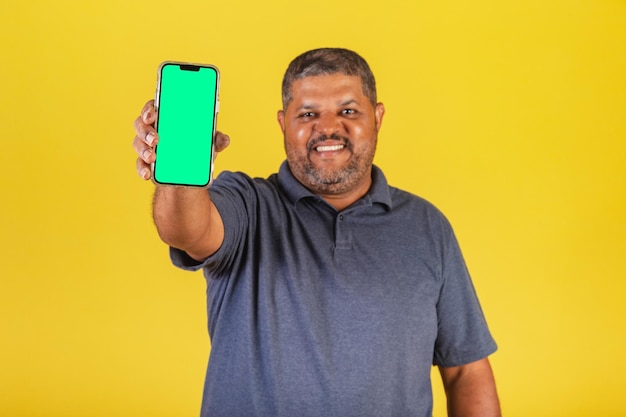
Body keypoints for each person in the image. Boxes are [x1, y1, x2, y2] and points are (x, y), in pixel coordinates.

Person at [132, 48, 501, 417]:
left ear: (378, 117)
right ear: (283, 123)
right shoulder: (248, 203)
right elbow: (186, 231)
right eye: (308, 114)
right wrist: (179, 170)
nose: (327, 127)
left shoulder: (427, 227)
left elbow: (466, 370)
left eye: (348, 111)